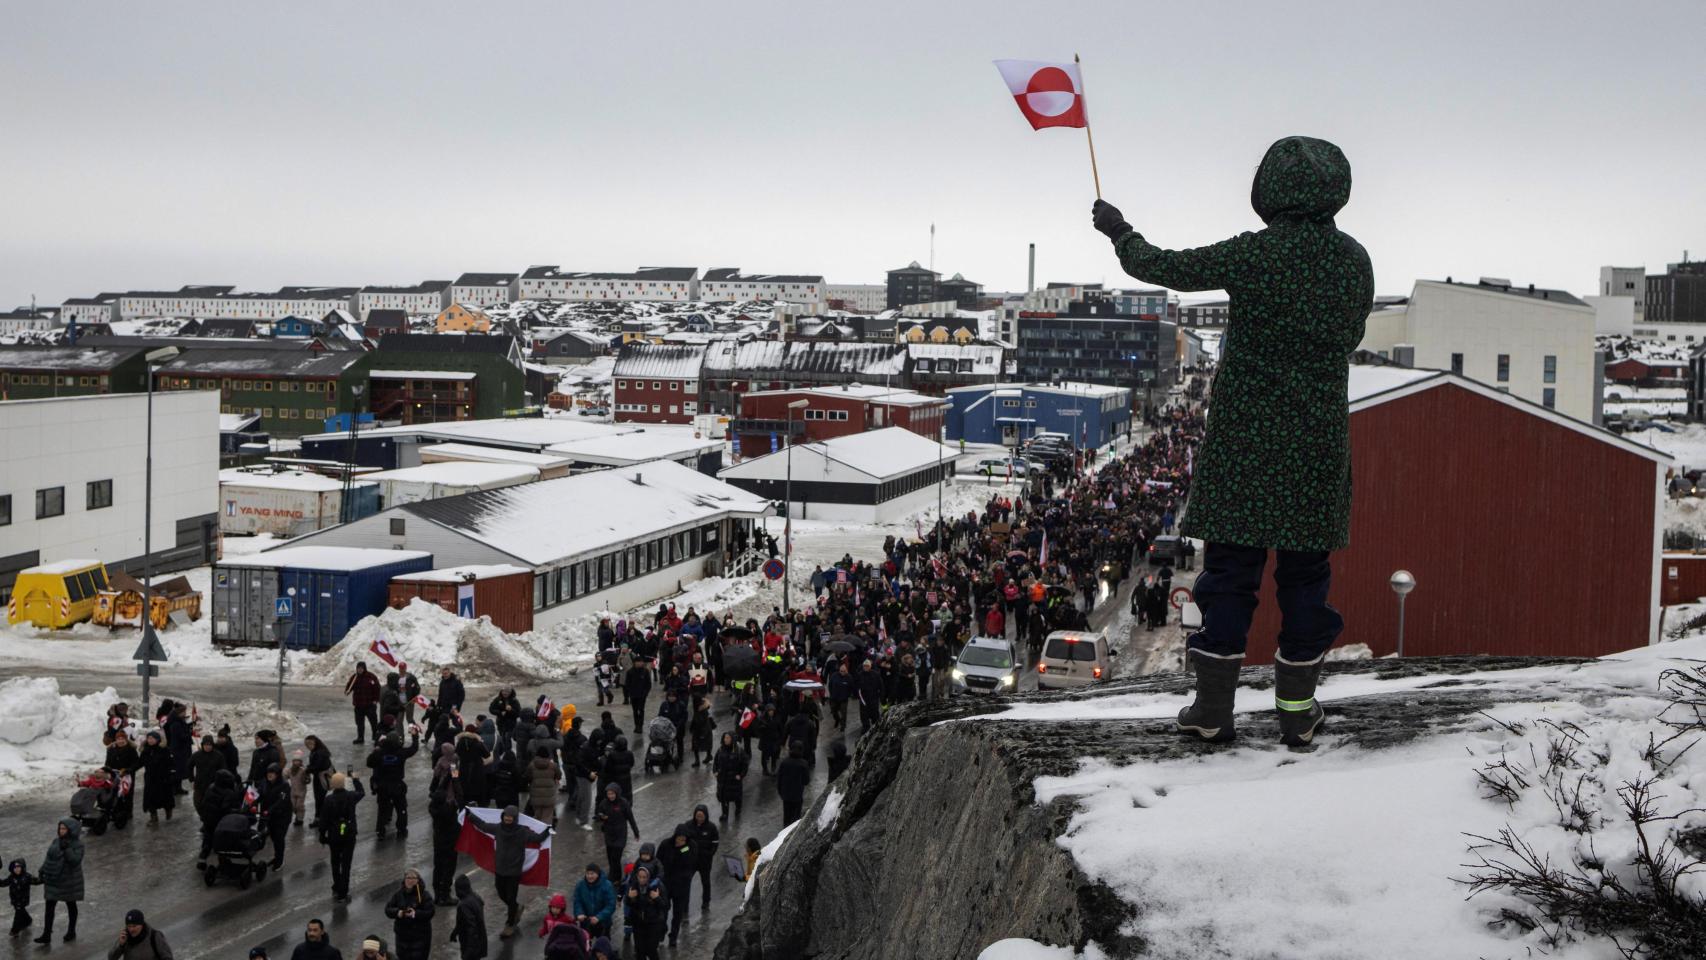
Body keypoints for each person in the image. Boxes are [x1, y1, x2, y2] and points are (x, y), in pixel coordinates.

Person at [1092, 136, 1372, 747]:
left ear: (1268, 189)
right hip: (1316, 438)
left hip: (1246, 437)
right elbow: (1349, 335)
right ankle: (1297, 710)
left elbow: (1161, 267)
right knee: (1306, 579)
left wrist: (1119, 231)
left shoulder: (1255, 255)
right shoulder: (1354, 261)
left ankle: (1213, 709)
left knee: (1229, 575)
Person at [464, 805, 550, 939]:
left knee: (510, 897)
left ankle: (510, 924)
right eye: (506, 816)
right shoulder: (498, 828)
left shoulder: (522, 832)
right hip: (500, 870)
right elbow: (483, 825)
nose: (508, 818)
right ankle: (516, 908)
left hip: (514, 872)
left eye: (510, 817)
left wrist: (548, 830)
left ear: (515, 818)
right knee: (501, 893)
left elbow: (537, 839)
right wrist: (470, 816)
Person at [319, 770, 366, 902]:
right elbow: (362, 793)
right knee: (346, 864)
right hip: (349, 835)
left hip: (334, 836)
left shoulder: (328, 800)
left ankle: (336, 886)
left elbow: (324, 820)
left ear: (332, 784)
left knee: (335, 862)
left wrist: (322, 835)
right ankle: (343, 892)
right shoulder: (351, 796)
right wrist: (356, 780)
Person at [366, 725, 419, 839]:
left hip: (383, 785)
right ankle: (401, 830)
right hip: (397, 785)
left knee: (382, 809)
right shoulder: (401, 752)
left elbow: (369, 763)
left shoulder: (380, 752)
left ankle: (380, 831)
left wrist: (377, 748)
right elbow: (414, 748)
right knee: (401, 808)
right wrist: (415, 736)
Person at [35, 818, 83, 944]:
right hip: (54, 879)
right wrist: (42, 870)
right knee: (49, 907)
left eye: (64, 828)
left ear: (70, 830)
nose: (61, 831)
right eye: (60, 828)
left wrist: (67, 849)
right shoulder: (56, 841)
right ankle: (46, 934)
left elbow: (75, 861)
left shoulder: (78, 844)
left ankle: (71, 931)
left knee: (71, 905)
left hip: (69, 881)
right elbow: (49, 858)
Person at [656, 824, 696, 947]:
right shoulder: (665, 845)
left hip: (681, 886)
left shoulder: (690, 846)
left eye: (683, 839)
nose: (681, 841)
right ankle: (661, 932)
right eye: (679, 838)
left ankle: (673, 936)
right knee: (663, 910)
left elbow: (691, 863)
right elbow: (658, 861)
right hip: (666, 884)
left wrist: (682, 850)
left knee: (677, 913)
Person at [428, 771, 464, 906]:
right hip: (450, 843)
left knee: (438, 867)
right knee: (449, 868)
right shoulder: (449, 810)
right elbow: (459, 794)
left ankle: (437, 895)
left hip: (438, 841)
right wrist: (455, 776)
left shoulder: (433, 807)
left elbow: (440, 790)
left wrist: (449, 773)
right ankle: (445, 895)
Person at [382, 868, 434, 960]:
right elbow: (388, 909)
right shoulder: (398, 894)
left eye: (413, 878)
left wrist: (415, 914)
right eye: (408, 878)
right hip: (402, 938)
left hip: (420, 938)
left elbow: (430, 912)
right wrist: (398, 912)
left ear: (418, 880)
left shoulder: (424, 895)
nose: (410, 880)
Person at [594, 783, 641, 883]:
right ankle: (617, 877)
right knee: (611, 857)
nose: (610, 796)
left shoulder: (623, 803)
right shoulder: (604, 803)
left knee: (616, 857)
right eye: (608, 794)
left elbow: (631, 818)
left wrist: (636, 832)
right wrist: (601, 817)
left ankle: (611, 877)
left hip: (620, 834)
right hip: (609, 834)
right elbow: (598, 815)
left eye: (612, 793)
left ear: (617, 793)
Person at [623, 863, 668, 960]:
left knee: (651, 950)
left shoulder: (658, 886)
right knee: (639, 951)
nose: (642, 879)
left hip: (654, 923)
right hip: (638, 923)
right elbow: (628, 903)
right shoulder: (633, 886)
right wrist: (630, 898)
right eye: (640, 877)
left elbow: (665, 905)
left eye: (644, 877)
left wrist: (657, 898)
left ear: (649, 876)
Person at [684, 804, 720, 912]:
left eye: (701, 816)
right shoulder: (688, 825)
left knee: (705, 882)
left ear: (706, 816)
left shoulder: (711, 827)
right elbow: (683, 842)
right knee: (686, 883)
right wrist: (686, 854)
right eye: (697, 816)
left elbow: (715, 843)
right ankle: (685, 905)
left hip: (705, 861)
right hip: (692, 861)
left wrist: (710, 854)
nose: (699, 818)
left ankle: (706, 902)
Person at [258, 763, 294, 870]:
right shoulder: (264, 783)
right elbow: (259, 794)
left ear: (277, 774)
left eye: (273, 773)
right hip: (270, 816)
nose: (270, 775)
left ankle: (280, 860)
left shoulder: (284, 785)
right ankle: (276, 856)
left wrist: (269, 810)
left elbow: (281, 801)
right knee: (273, 837)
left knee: (279, 838)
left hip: (282, 816)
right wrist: (250, 803)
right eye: (269, 772)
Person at [138, 730, 175, 824]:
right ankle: (153, 817)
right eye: (148, 738)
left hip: (163, 778)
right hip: (150, 778)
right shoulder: (146, 750)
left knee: (165, 797)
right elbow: (140, 763)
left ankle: (168, 810)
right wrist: (130, 770)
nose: (150, 740)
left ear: (157, 739)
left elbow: (171, 763)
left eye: (152, 738)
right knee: (150, 798)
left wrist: (171, 772)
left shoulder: (164, 749)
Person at [571, 863, 616, 940]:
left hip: (603, 923)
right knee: (585, 945)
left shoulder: (607, 885)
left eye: (592, 874)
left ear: (598, 874)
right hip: (586, 922)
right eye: (587, 874)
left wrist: (599, 917)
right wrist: (579, 913)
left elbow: (611, 905)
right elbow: (577, 901)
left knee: (603, 946)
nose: (589, 876)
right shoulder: (580, 885)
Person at [106, 908, 172, 959]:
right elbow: (111, 958)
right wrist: (121, 945)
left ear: (141, 925)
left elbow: (167, 957)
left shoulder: (154, 936)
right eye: (129, 926)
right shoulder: (125, 937)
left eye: (134, 926)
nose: (131, 929)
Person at [448, 875, 486, 960]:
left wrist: (468, 952)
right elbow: (463, 921)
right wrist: (455, 932)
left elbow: (472, 928)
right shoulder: (476, 897)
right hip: (479, 942)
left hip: (470, 945)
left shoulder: (464, 905)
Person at [711, 732, 748, 822]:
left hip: (734, 780)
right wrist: (715, 772)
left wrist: (741, 775)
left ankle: (738, 809)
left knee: (736, 797)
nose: (726, 740)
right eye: (725, 738)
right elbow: (715, 762)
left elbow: (744, 764)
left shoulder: (739, 751)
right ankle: (725, 814)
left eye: (728, 738)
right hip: (723, 779)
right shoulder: (720, 750)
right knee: (724, 798)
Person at [345, 663, 382, 745]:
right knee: (359, 723)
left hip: (370, 705)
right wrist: (347, 690)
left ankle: (375, 736)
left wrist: (376, 700)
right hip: (358, 705)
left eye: (361, 668)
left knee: (373, 722)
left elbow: (377, 689)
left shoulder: (371, 677)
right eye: (358, 668)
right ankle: (360, 737)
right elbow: (349, 686)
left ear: (364, 668)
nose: (360, 670)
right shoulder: (354, 677)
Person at [3, 858, 39, 937]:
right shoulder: (11, 877)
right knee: (21, 911)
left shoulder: (27, 876)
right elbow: (4, 883)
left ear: (23, 867)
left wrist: (45, 878)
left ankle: (15, 930)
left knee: (18, 914)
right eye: (15, 868)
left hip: (23, 899)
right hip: (15, 899)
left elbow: (37, 881)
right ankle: (28, 920)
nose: (17, 869)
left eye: (19, 867)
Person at [776, 744, 810, 826]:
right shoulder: (803, 764)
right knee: (795, 818)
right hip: (797, 795)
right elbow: (806, 781)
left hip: (786, 794)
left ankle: (784, 833)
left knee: (787, 816)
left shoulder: (784, 762)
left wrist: (780, 791)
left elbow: (779, 778)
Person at [623, 658, 652, 733]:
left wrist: (645, 693)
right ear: (634, 663)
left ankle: (640, 726)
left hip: (642, 696)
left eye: (641, 662)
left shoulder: (645, 671)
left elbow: (648, 684)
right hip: (633, 695)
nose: (640, 663)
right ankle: (636, 725)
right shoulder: (630, 672)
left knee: (641, 710)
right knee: (635, 711)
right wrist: (630, 692)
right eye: (638, 662)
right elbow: (627, 684)